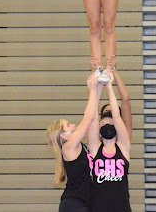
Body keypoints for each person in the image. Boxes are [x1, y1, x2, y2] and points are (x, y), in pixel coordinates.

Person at [46, 75, 102, 212]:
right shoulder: (69, 146)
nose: (73, 125)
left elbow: (93, 116)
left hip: (83, 203)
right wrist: (93, 91)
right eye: (68, 125)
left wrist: (96, 90)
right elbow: (88, 118)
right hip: (74, 204)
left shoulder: (79, 147)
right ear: (63, 135)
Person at [88, 72, 132, 211]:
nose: (108, 125)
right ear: (98, 133)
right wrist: (95, 90)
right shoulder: (95, 149)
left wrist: (110, 86)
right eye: (103, 124)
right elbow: (93, 117)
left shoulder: (123, 147)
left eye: (111, 124)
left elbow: (118, 118)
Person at [99, 69, 133, 140]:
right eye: (107, 111)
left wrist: (114, 70)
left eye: (112, 111)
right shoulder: (96, 139)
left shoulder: (123, 138)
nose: (110, 112)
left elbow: (125, 100)